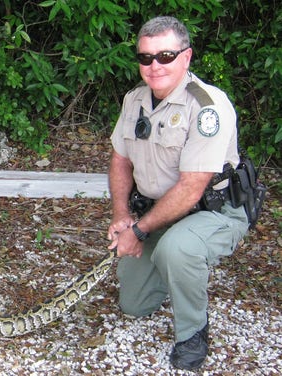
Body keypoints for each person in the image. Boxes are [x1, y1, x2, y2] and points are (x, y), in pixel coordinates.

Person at [106, 16, 249, 370]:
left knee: (178, 249)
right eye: (146, 57)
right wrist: (122, 216)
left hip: (212, 212)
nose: (154, 66)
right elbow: (120, 161)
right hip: (161, 214)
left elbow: (190, 188)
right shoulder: (135, 100)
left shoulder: (207, 107)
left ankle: (193, 333)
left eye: (165, 56)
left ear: (186, 57)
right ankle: (174, 269)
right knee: (134, 305)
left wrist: (138, 231)